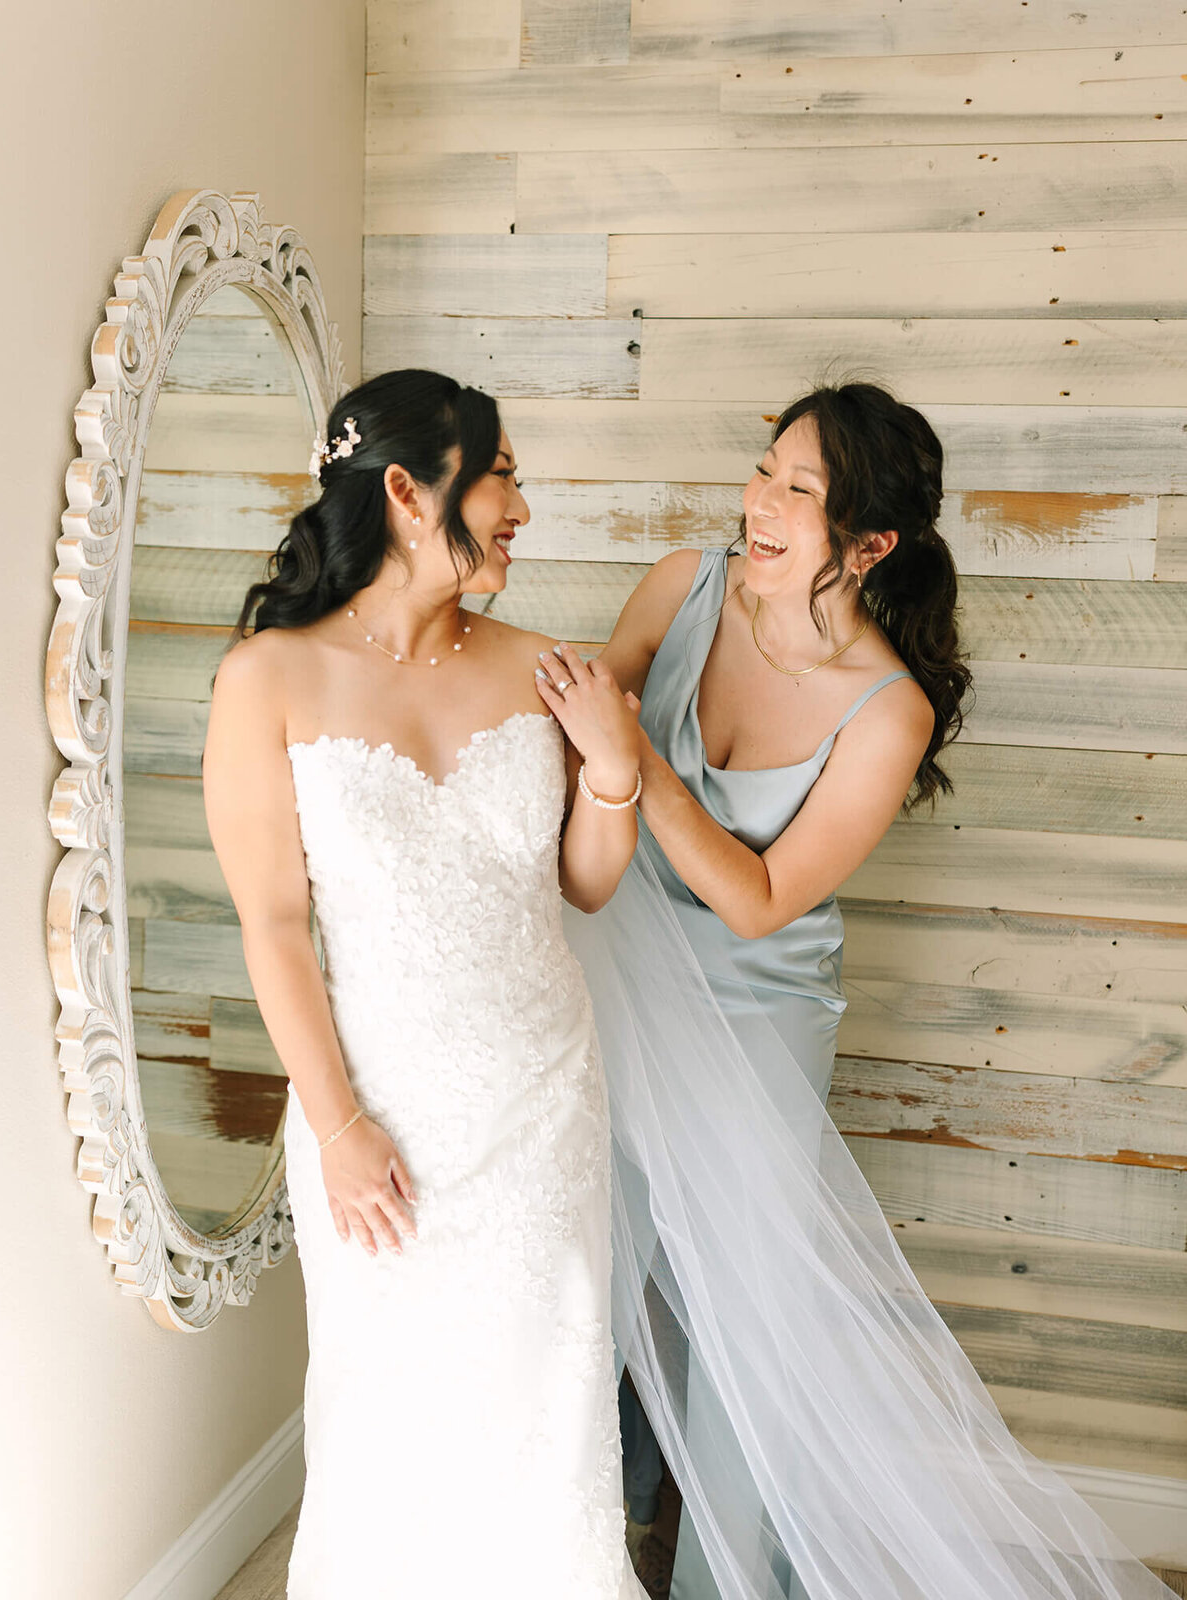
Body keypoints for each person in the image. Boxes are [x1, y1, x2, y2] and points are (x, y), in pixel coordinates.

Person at [541, 384, 1174, 1600]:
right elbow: (571, 740)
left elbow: (760, 896)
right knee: (593, 1269)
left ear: (870, 543)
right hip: (615, 974)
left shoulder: (889, 713)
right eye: (764, 471)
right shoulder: (682, 587)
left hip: (757, 1014)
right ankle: (581, 1554)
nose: (759, 504)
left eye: (800, 492)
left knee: (749, 1325)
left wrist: (631, 754)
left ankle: (723, 1580)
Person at [202, 369, 647, 1599]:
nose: (521, 504)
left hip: (546, 1099)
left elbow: (585, 885)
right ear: (407, 491)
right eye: (499, 473)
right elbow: (276, 924)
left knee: (545, 1413)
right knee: (387, 1414)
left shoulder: (540, 669)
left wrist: (614, 772)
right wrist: (338, 1125)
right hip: (378, 1112)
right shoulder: (268, 680)